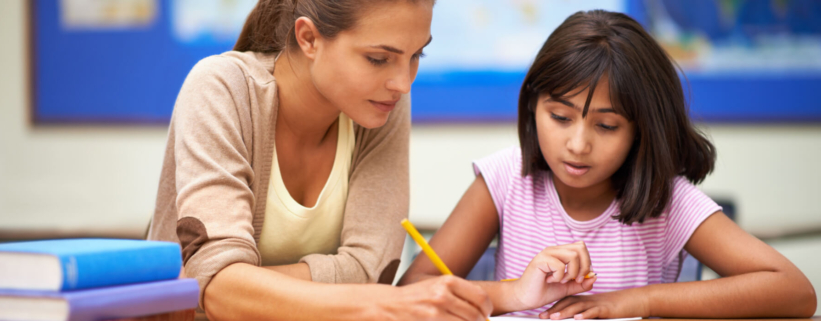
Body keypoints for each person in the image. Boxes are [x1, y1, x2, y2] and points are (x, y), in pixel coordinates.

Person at [398, 9, 817, 319]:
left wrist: (636, 300)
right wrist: (511, 296)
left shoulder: (666, 201)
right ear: (531, 107)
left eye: (608, 125)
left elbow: (795, 292)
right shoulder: (507, 177)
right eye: (560, 118)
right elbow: (414, 290)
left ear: (642, 129)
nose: (578, 145)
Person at [147, 0, 493, 320]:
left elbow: (372, 271)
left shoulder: (381, 104)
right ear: (309, 38)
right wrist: (384, 300)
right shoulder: (222, 87)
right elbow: (220, 292)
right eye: (378, 58)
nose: (403, 82)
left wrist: (223, 284)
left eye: (418, 55)